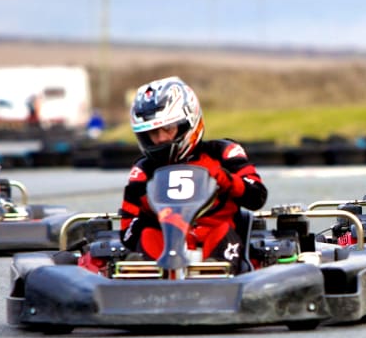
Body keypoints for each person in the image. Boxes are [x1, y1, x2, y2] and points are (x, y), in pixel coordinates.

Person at [108, 76, 267, 271]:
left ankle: (213, 275)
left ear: (188, 122)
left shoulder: (223, 153)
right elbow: (127, 231)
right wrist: (153, 209)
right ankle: (145, 280)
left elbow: (257, 196)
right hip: (166, 242)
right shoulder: (143, 171)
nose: (160, 140)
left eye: (167, 129)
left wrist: (225, 180)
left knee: (222, 232)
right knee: (148, 235)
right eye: (153, 133)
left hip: (216, 237)